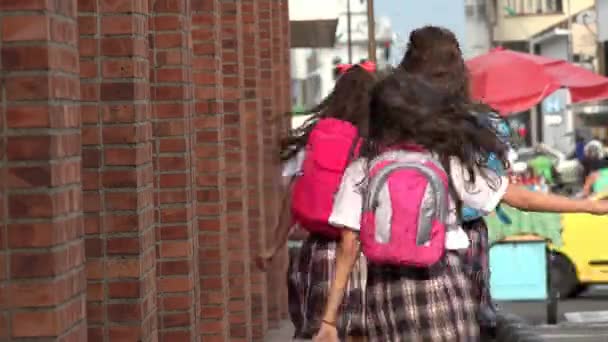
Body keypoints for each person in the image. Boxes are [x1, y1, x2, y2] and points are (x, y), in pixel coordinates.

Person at [314, 26, 608, 342]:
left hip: (385, 291)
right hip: (443, 281)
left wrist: (329, 320)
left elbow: (348, 245)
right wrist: (588, 206)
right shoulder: (445, 159)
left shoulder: (362, 167)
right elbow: (517, 196)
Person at [258, 64, 377, 340]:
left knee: (312, 331)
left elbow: (292, 197)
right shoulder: (373, 146)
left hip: (314, 254)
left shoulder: (314, 139)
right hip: (359, 253)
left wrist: (273, 247)